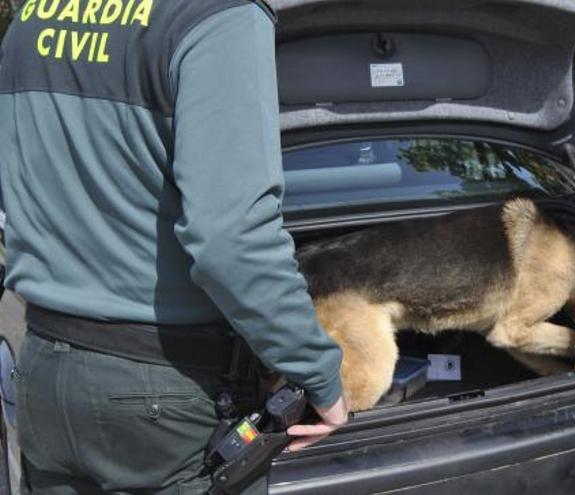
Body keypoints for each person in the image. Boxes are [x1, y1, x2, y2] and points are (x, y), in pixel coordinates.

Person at [0, 0, 348, 493]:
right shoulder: (217, 15)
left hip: (44, 367)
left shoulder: (34, 16)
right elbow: (230, 239)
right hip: (164, 391)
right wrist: (319, 375)